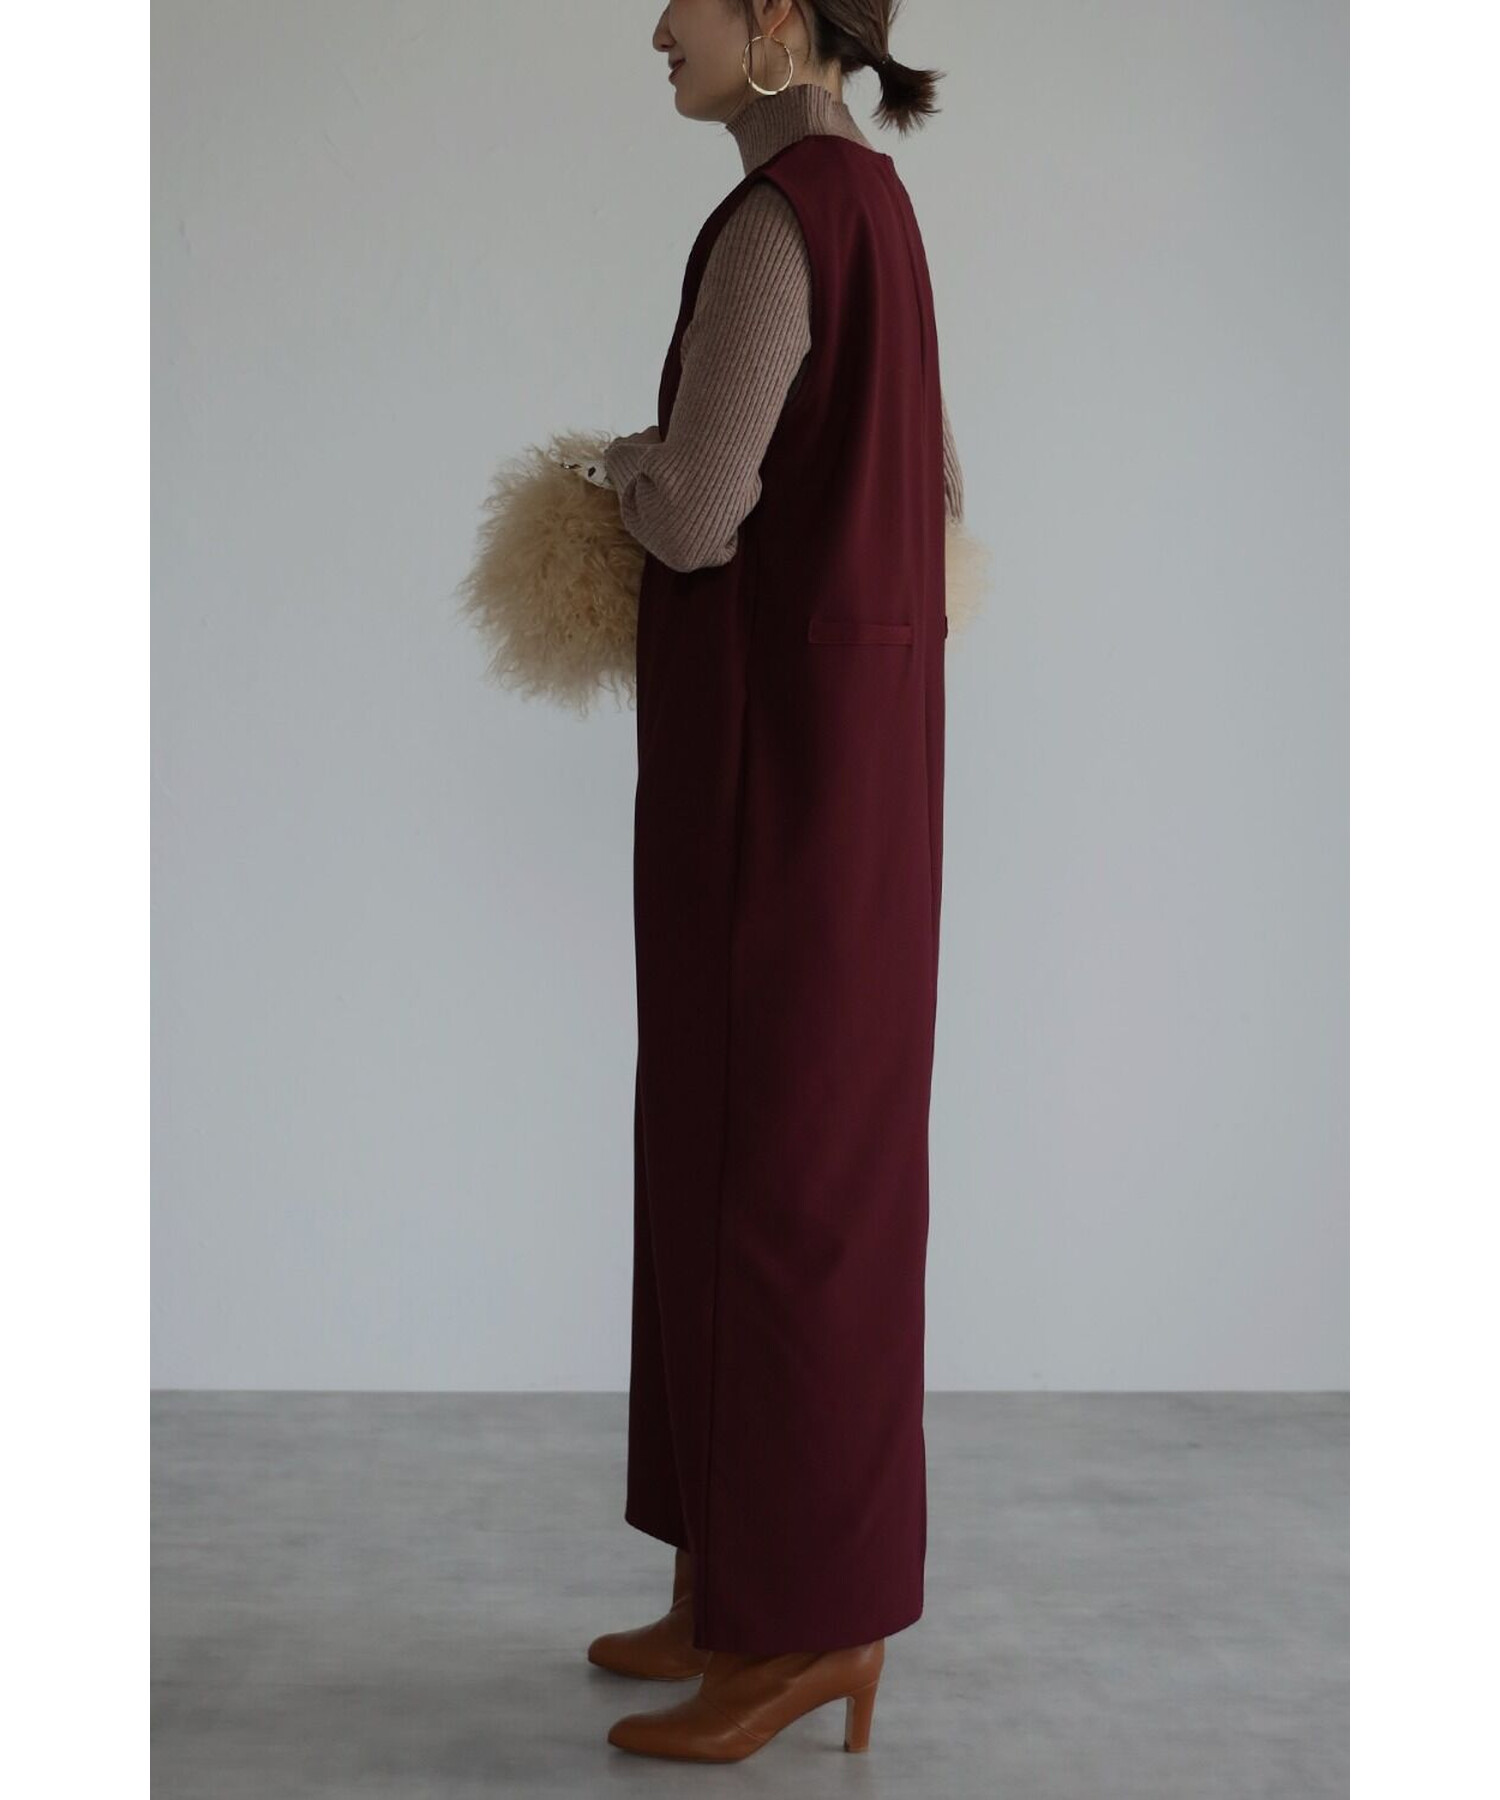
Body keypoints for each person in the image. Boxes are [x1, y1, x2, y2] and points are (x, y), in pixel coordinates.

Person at [579, 0, 961, 1762]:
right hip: (855, 780)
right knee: (770, 1167)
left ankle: (810, 1627)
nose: (657, 26)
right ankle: (734, 1584)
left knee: (774, 1184)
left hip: (770, 790)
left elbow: (696, 512)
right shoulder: (879, 213)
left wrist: (608, 464)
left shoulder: (777, 225)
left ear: (785, 22)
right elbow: (936, 492)